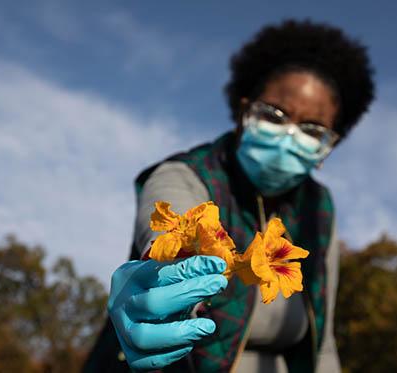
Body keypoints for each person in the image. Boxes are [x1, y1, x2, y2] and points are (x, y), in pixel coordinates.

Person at [84, 19, 375, 372]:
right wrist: (159, 273)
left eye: (312, 129)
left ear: (330, 146)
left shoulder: (319, 208)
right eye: (274, 114)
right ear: (243, 111)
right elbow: (166, 221)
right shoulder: (186, 174)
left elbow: (322, 340)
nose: (288, 135)